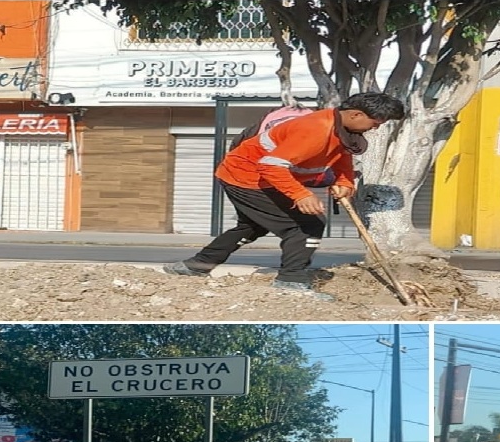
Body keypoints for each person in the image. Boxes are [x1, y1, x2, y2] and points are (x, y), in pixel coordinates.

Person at [164, 93, 406, 298]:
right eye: (376, 123)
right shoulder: (316, 130)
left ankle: (195, 266)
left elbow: (342, 156)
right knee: (307, 224)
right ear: (356, 115)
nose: (376, 128)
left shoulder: (341, 130)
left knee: (252, 227)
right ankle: (291, 280)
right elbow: (270, 166)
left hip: (259, 178)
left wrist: (345, 182)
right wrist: (300, 194)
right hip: (246, 177)